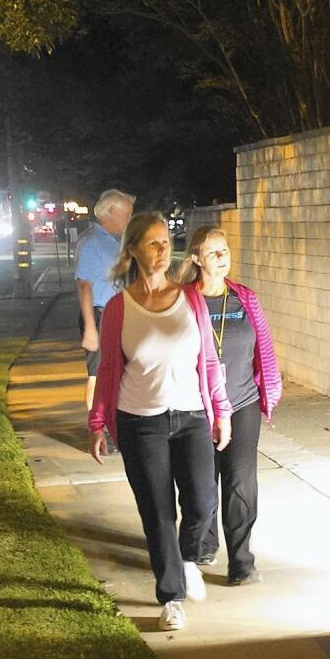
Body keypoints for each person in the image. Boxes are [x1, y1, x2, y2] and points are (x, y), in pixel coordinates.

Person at [88, 213, 232, 631]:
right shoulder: (118, 308)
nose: (162, 249)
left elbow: (208, 360)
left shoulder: (192, 299)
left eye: (166, 242)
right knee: (157, 513)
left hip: (190, 416)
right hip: (140, 421)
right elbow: (109, 366)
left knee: (203, 501)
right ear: (133, 250)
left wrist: (220, 411)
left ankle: (187, 560)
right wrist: (98, 421)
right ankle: (171, 597)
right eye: (152, 243)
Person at [174, 226, 282, 586]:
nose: (222, 258)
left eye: (225, 250)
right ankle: (203, 544)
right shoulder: (183, 301)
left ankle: (241, 560)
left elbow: (263, 348)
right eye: (213, 252)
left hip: (242, 401)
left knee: (240, 483)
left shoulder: (245, 298)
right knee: (201, 483)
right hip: (196, 408)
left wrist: (270, 387)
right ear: (195, 259)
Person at [76, 189, 135, 413]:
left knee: (114, 373)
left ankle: (110, 423)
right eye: (127, 214)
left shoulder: (113, 241)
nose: (129, 219)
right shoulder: (92, 242)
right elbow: (84, 286)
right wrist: (91, 329)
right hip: (99, 315)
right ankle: (97, 428)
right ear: (110, 211)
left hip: (116, 315)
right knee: (97, 375)